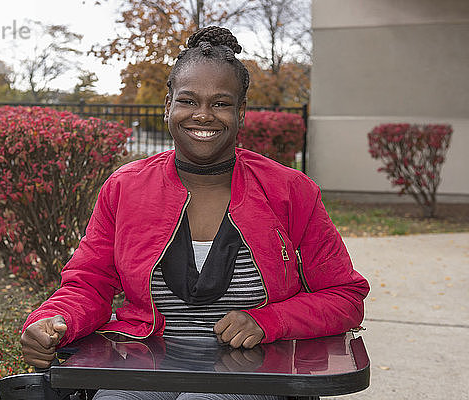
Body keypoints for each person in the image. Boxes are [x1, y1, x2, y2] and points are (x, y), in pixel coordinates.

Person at [20, 26, 369, 400]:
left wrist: (268, 321)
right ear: (168, 105)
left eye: (220, 103)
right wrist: (55, 321)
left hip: (258, 371)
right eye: (188, 101)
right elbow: (89, 283)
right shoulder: (125, 187)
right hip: (145, 363)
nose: (203, 115)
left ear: (241, 112)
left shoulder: (289, 190)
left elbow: (344, 296)